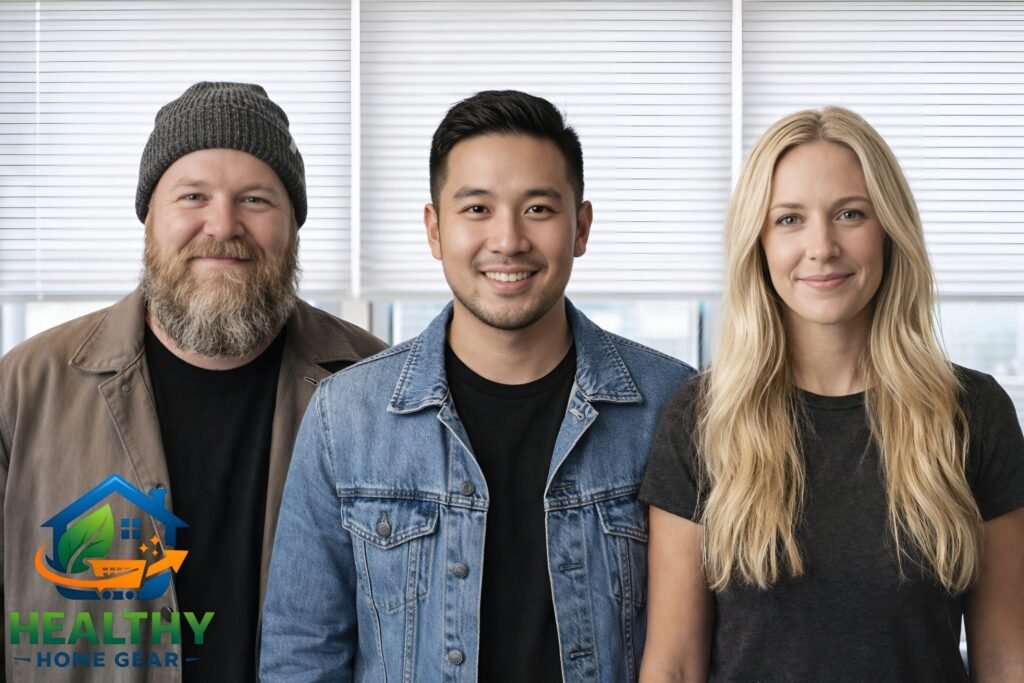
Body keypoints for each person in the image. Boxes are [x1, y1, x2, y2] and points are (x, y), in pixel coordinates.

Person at [260, 90, 695, 682]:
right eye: (477, 210)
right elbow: (301, 652)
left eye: (539, 209)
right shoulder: (348, 415)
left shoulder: (670, 406)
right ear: (435, 230)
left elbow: (700, 644)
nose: (509, 240)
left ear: (582, 227)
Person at [0, 82, 386, 681]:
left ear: (294, 226)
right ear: (149, 217)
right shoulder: (24, 390)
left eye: (255, 199)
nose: (222, 225)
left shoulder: (381, 389)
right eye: (193, 196)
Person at [638, 107, 1024, 681]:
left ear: (889, 230)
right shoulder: (701, 417)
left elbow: (1005, 658)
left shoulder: (973, 412)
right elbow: (673, 665)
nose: (821, 246)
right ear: (759, 242)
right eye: (789, 219)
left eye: (850, 214)